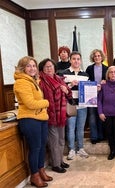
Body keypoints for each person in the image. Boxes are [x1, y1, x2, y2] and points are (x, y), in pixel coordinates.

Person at [14, 56, 52, 187]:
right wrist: (46, 102)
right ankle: (34, 176)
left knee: (41, 147)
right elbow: (30, 103)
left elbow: (35, 102)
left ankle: (41, 170)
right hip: (30, 120)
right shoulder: (21, 82)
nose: (32, 68)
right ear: (22, 68)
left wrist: (41, 105)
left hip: (40, 118)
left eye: (34, 66)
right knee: (35, 148)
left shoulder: (33, 81)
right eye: (28, 66)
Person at [39, 58, 72, 173]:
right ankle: (55, 164)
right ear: (42, 69)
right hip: (50, 114)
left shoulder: (59, 79)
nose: (49, 68)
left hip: (61, 114)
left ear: (54, 68)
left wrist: (66, 90)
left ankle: (60, 161)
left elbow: (69, 92)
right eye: (46, 67)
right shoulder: (41, 81)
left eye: (51, 66)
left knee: (62, 139)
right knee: (54, 140)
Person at [61, 51, 89, 160]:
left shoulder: (85, 75)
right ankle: (72, 149)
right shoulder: (64, 73)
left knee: (81, 128)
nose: (76, 61)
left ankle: (80, 148)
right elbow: (61, 89)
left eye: (78, 59)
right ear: (70, 60)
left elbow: (88, 90)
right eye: (74, 59)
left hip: (83, 105)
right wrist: (70, 84)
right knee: (71, 128)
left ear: (80, 61)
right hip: (70, 105)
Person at [86, 49, 108, 144]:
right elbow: (86, 81)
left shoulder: (106, 68)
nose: (97, 57)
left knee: (101, 115)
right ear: (93, 58)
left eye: (99, 56)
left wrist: (105, 82)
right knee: (92, 115)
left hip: (103, 95)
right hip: (91, 95)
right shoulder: (89, 68)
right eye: (95, 56)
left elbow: (110, 81)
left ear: (102, 57)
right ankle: (94, 136)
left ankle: (101, 135)